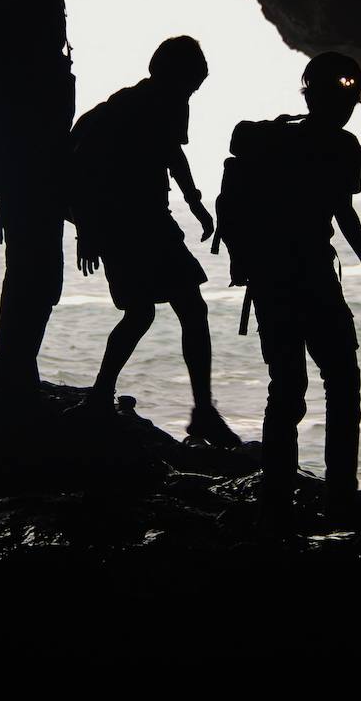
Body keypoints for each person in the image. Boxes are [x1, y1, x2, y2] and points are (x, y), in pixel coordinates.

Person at [224, 52, 361, 522]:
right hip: (311, 277)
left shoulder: (274, 138)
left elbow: (340, 208)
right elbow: (342, 209)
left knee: (288, 386)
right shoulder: (344, 148)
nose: (348, 108)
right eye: (346, 100)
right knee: (340, 382)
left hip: (272, 280)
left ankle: (278, 495)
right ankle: (339, 495)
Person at [69, 36, 240, 446]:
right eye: (191, 83)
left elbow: (171, 154)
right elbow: (83, 171)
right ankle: (109, 398)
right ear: (170, 74)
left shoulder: (169, 102)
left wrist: (194, 203)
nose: (192, 92)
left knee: (165, 311)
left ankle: (110, 398)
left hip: (150, 219)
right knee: (158, 311)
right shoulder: (127, 107)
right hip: (122, 222)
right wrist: (87, 231)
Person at [0, 0, 119, 403]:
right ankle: (15, 391)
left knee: (31, 275)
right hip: (30, 163)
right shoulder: (36, 0)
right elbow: (31, 95)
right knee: (35, 278)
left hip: (19, 160)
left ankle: (15, 383)